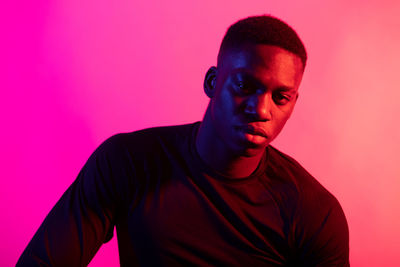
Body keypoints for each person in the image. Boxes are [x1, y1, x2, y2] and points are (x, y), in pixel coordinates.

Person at [17, 15, 349, 266]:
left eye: (281, 97)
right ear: (212, 81)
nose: (260, 109)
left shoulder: (313, 213)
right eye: (245, 86)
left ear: (293, 104)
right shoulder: (127, 162)